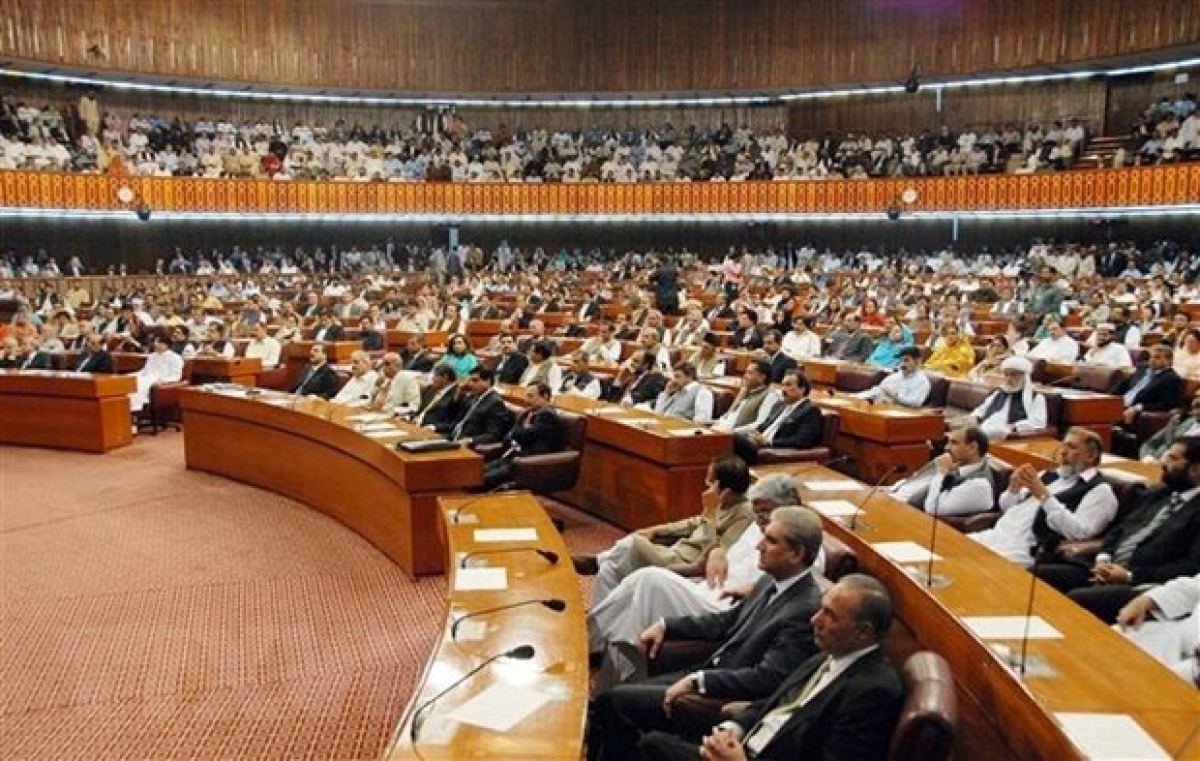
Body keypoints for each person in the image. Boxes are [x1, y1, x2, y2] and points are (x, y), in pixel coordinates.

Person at [587, 507, 826, 760]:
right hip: (706, 670)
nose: (759, 546)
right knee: (611, 701)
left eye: (771, 540)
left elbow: (767, 677)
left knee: (613, 702)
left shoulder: (804, 610)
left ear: (797, 553)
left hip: (719, 694)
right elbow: (727, 621)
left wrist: (700, 681)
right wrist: (667, 625)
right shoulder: (771, 580)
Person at [635, 574, 904, 761]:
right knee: (653, 744)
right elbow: (775, 702)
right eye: (821, 609)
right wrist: (734, 729)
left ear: (862, 632)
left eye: (830, 615)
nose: (814, 619)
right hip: (744, 746)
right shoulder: (829, 654)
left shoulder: (873, 691)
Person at [587, 475, 804, 690]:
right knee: (630, 598)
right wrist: (717, 551)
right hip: (708, 586)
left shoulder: (798, 543)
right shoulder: (757, 527)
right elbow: (724, 550)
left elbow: (796, 588)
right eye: (756, 512)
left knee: (648, 580)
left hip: (727, 604)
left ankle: (589, 632)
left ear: (788, 507)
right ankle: (605, 676)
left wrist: (754, 590)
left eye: (765, 511)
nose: (759, 519)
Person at [1037, 439, 1200, 623]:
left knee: (1078, 600)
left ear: (1195, 469)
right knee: (1040, 574)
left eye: (1173, 459)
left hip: (1143, 583)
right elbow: (1120, 529)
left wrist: (1129, 575)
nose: (1163, 463)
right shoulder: (1158, 493)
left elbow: (1189, 567)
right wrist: (1103, 558)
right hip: (1104, 568)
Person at [577, 455, 755, 609]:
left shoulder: (744, 513)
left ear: (725, 491)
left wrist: (709, 513)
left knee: (632, 543)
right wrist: (656, 530)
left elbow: (717, 553)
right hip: (675, 550)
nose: (705, 485)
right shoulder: (723, 503)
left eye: (709, 481)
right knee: (608, 569)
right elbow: (693, 523)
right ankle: (596, 625)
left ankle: (597, 561)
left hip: (687, 563)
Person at [970, 427, 1118, 568]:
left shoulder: (1100, 491)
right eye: (1063, 445)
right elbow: (1006, 508)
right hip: (996, 535)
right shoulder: (1048, 475)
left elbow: (1080, 532)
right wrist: (1013, 489)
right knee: (957, 550)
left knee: (973, 567)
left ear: (1091, 456)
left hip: (1023, 549)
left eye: (1071, 447)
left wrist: (1044, 496)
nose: (1063, 452)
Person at [890, 426, 994, 517]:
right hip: (891, 500)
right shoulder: (951, 462)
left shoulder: (979, 486)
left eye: (954, 443)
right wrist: (890, 490)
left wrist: (941, 473)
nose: (946, 447)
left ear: (972, 447)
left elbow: (932, 509)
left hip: (907, 515)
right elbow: (914, 483)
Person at [1117, 572, 1200, 685]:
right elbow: (1193, 587)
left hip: (1193, 670)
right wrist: (1146, 600)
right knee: (1115, 639)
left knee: (1146, 683)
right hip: (1178, 635)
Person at [482, 382, 564, 490]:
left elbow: (526, 435)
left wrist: (516, 433)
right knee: (474, 472)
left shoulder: (547, 415)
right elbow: (511, 435)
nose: (526, 400)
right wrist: (518, 432)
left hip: (527, 462)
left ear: (545, 397)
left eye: (531, 396)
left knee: (482, 479)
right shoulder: (528, 412)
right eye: (527, 396)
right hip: (510, 457)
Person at [732, 372, 823, 464]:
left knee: (732, 438)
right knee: (728, 439)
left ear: (802, 389)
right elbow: (763, 426)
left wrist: (769, 442)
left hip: (772, 449)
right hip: (757, 444)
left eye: (788, 385)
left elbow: (802, 441)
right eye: (782, 385)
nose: (783, 389)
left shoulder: (810, 410)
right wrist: (752, 435)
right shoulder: (779, 405)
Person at [966, 355, 1048, 440]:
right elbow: (982, 409)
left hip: (1008, 433)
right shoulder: (998, 392)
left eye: (1013, 375)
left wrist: (1012, 427)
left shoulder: (1036, 397)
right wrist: (974, 418)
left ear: (1024, 377)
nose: (1008, 379)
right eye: (1006, 375)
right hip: (986, 426)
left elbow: (1038, 422)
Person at [1115, 343, 1185, 427]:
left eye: (1157, 357)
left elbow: (1165, 404)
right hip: (1118, 403)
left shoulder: (1171, 379)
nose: (1152, 360)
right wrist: (1108, 398)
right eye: (1151, 357)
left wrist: (1138, 407)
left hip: (1132, 409)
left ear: (1169, 360)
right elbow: (1122, 385)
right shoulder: (1142, 369)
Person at [442, 365, 514, 445]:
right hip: (451, 437)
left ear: (488, 381)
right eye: (469, 380)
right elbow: (455, 420)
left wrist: (471, 440)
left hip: (467, 445)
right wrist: (458, 394)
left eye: (475, 380)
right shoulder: (472, 396)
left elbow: (493, 435)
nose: (470, 384)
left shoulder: (495, 403)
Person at [711, 360, 780, 434]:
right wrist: (710, 423)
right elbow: (727, 416)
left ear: (762, 378)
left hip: (735, 435)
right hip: (720, 429)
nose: (745, 376)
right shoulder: (745, 390)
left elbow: (759, 424)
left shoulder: (770, 395)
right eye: (746, 372)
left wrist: (733, 432)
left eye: (750, 373)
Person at [856, 346, 930, 407]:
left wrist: (895, 395)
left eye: (906, 360)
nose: (902, 364)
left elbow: (915, 403)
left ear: (917, 361)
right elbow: (879, 390)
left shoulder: (922, 381)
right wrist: (856, 397)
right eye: (900, 361)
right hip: (879, 407)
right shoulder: (894, 377)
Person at [1140, 392, 1200, 461]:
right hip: (1152, 460)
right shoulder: (1180, 420)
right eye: (1196, 397)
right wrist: (1148, 458)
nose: (1197, 401)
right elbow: (1150, 443)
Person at [130, 334, 184, 412]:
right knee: (132, 381)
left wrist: (163, 380)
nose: (155, 344)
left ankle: (137, 409)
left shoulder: (176, 358)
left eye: (158, 342)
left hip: (161, 381)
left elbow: (176, 376)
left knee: (142, 383)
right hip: (148, 378)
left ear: (166, 345)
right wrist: (132, 375)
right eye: (155, 342)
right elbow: (145, 371)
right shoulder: (152, 356)